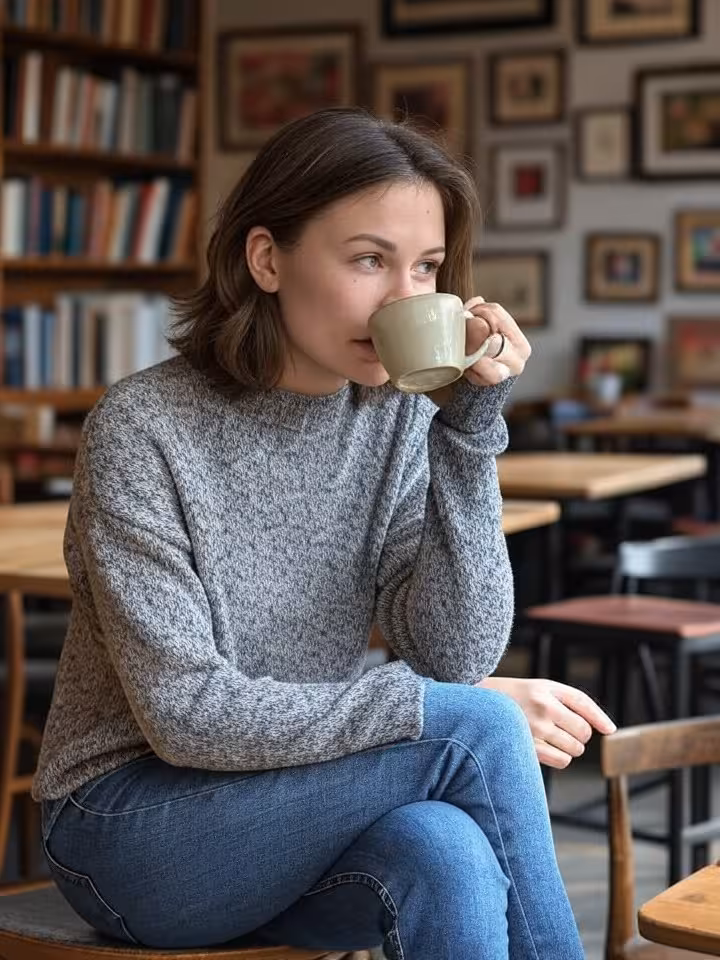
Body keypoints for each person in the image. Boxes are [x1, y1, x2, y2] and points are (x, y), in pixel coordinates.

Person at [33, 107, 614, 958]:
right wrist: (437, 708)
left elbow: (456, 652)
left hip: (302, 802)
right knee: (476, 726)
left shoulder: (393, 417)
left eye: (427, 268)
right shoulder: (143, 428)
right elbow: (188, 716)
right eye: (370, 260)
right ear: (267, 259)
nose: (404, 299)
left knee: (445, 853)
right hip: (129, 826)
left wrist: (468, 429)